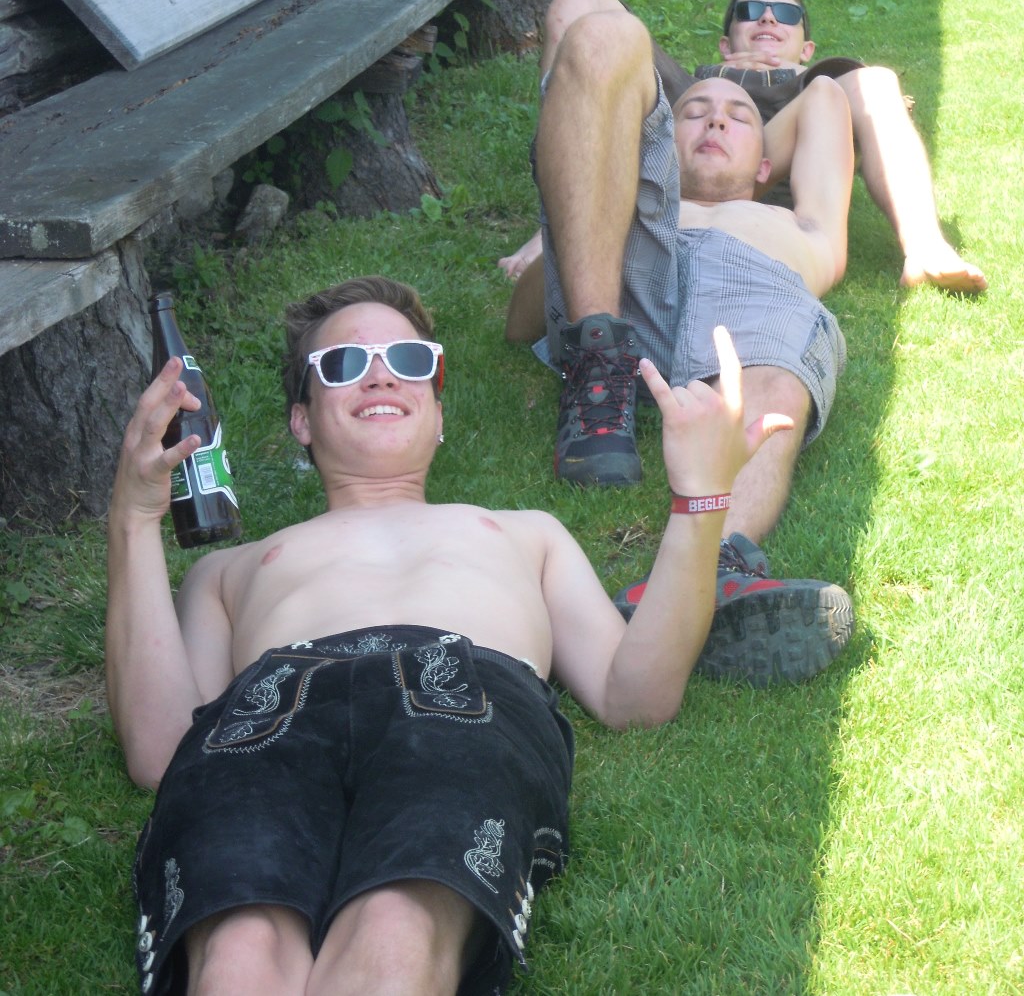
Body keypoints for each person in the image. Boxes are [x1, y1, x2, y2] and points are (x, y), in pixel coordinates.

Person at [106, 274, 799, 996]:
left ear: (438, 412)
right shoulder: (229, 569)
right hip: (272, 705)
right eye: (343, 364)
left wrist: (701, 498)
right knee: (239, 950)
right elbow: (160, 749)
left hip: (456, 698)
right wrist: (134, 517)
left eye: (410, 361)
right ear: (301, 420)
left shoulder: (525, 535)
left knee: (397, 930)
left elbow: (635, 696)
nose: (381, 375)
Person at [504, 0, 855, 684]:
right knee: (599, 28)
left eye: (739, 118)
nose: (715, 119)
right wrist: (570, 229)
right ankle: (598, 365)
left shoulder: (803, 225)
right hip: (622, 281)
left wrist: (761, 77)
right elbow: (520, 323)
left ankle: (714, 565)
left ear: (768, 167)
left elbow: (825, 100)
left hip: (753, 293)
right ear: (657, 147)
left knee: (775, 377)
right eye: (692, 112)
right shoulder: (616, 219)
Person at [500, 0, 986, 294]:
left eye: (786, 15)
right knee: (577, 1)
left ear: (806, 46)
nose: (769, 19)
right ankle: (564, 222)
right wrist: (712, 90)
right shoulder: (689, 84)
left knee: (876, 81)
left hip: (777, 141)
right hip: (684, 123)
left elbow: (855, 106)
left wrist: (800, 79)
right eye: (752, 10)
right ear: (725, 42)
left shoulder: (818, 80)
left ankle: (924, 245)